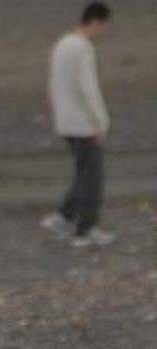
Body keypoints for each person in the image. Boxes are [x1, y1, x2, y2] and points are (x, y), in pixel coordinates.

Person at [42, 2, 114, 247]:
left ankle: (64, 216)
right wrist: (101, 121)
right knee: (93, 177)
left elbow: (55, 84)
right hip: (84, 123)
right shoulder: (82, 47)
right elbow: (88, 88)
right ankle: (86, 229)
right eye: (103, 26)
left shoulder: (62, 44)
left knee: (83, 171)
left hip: (66, 120)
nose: (102, 31)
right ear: (95, 21)